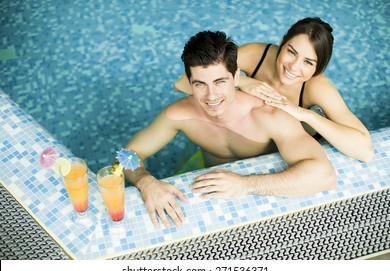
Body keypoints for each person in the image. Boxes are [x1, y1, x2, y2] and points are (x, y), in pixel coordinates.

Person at [123, 30, 336, 228]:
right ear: (189, 82)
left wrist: (245, 185)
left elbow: (324, 175)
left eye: (220, 81)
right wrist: (146, 182)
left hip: (263, 187)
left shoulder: (268, 116)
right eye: (200, 84)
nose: (211, 96)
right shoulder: (179, 114)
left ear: (236, 78)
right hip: (204, 174)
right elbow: (124, 156)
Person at [175, 17, 374, 163]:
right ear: (282, 43)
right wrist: (242, 82)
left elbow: (365, 151)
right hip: (235, 144)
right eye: (291, 52)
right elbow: (183, 83)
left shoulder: (316, 87)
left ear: (318, 67)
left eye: (308, 62)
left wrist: (304, 115)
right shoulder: (257, 56)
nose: (294, 67)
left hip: (277, 158)